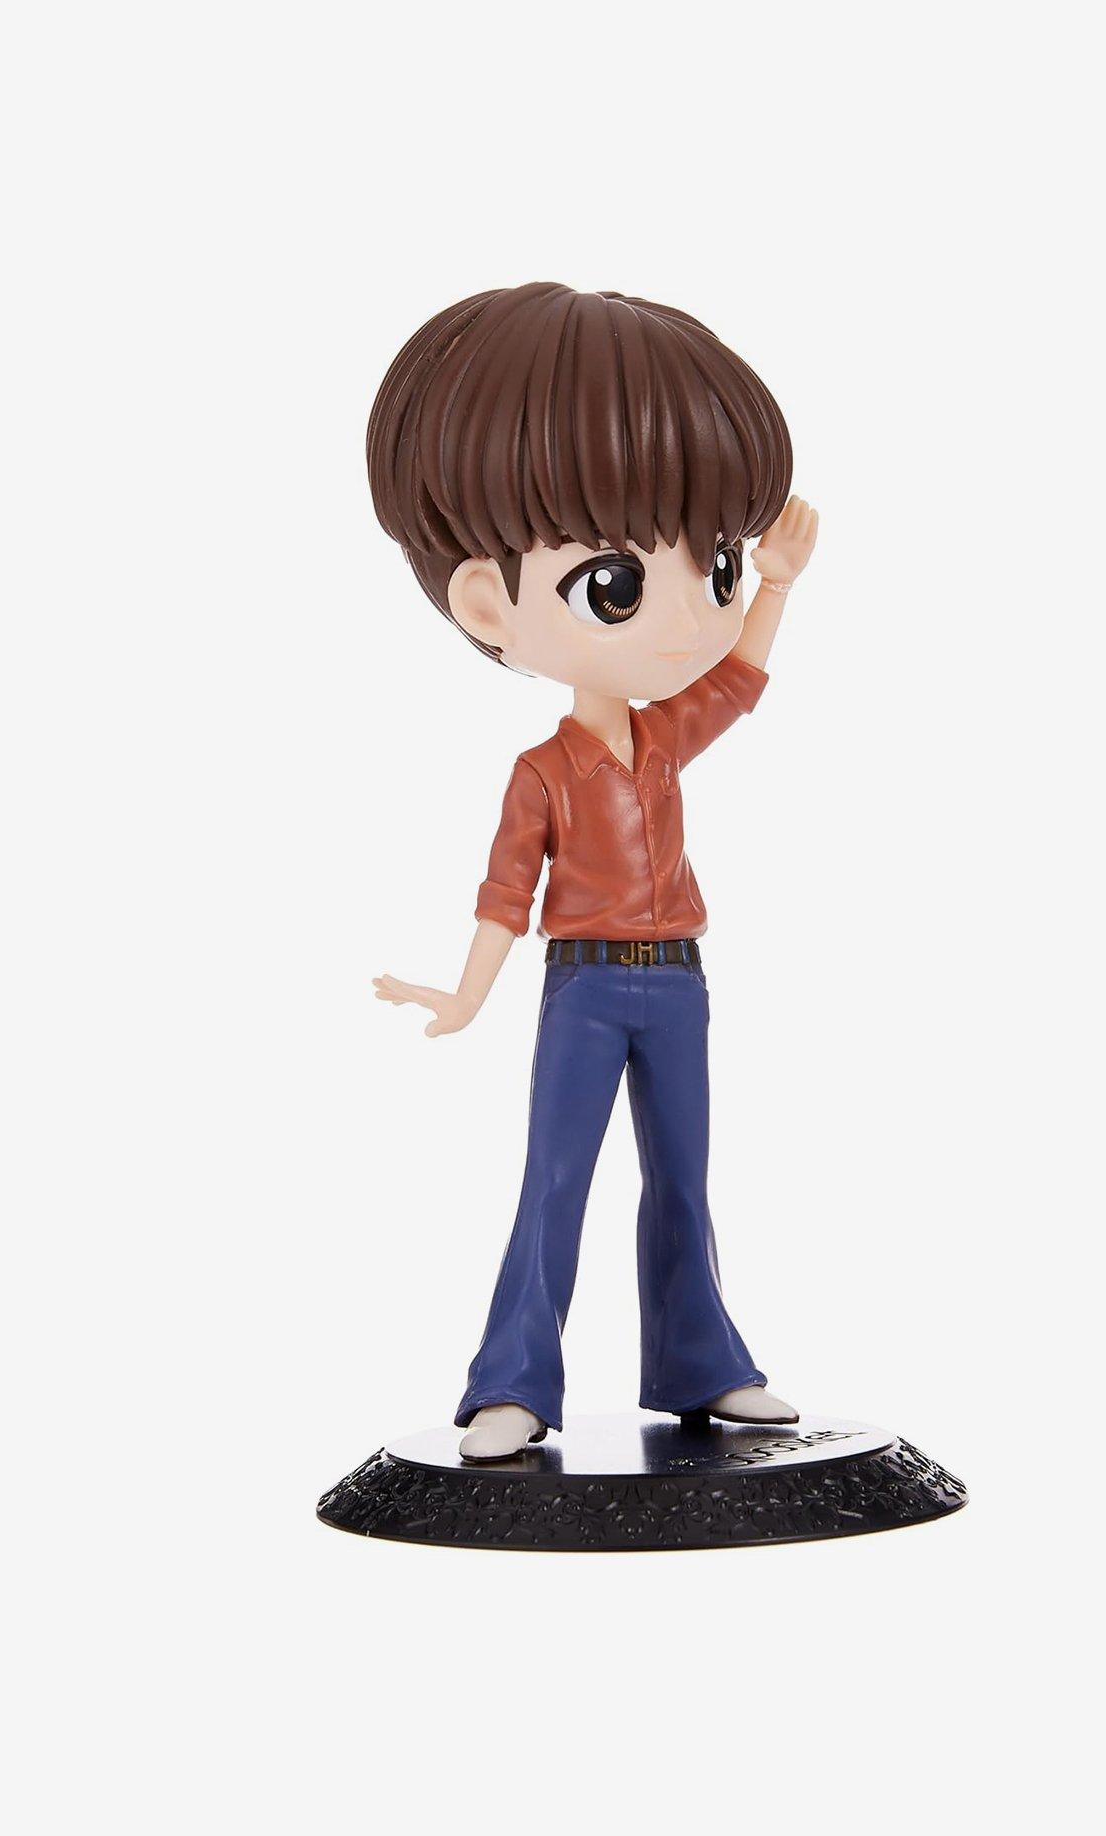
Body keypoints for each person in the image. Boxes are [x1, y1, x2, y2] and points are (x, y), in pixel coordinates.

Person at [367, 284, 819, 1460]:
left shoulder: (665, 738)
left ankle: (704, 1365)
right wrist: (465, 993)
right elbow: (503, 896)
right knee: (555, 1179)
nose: (683, 621)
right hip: (581, 985)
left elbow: (737, 680)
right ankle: (513, 1380)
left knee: (685, 1179)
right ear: (488, 602)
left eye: (711, 565)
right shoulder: (542, 772)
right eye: (614, 585)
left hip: (676, 981)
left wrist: (770, 584)